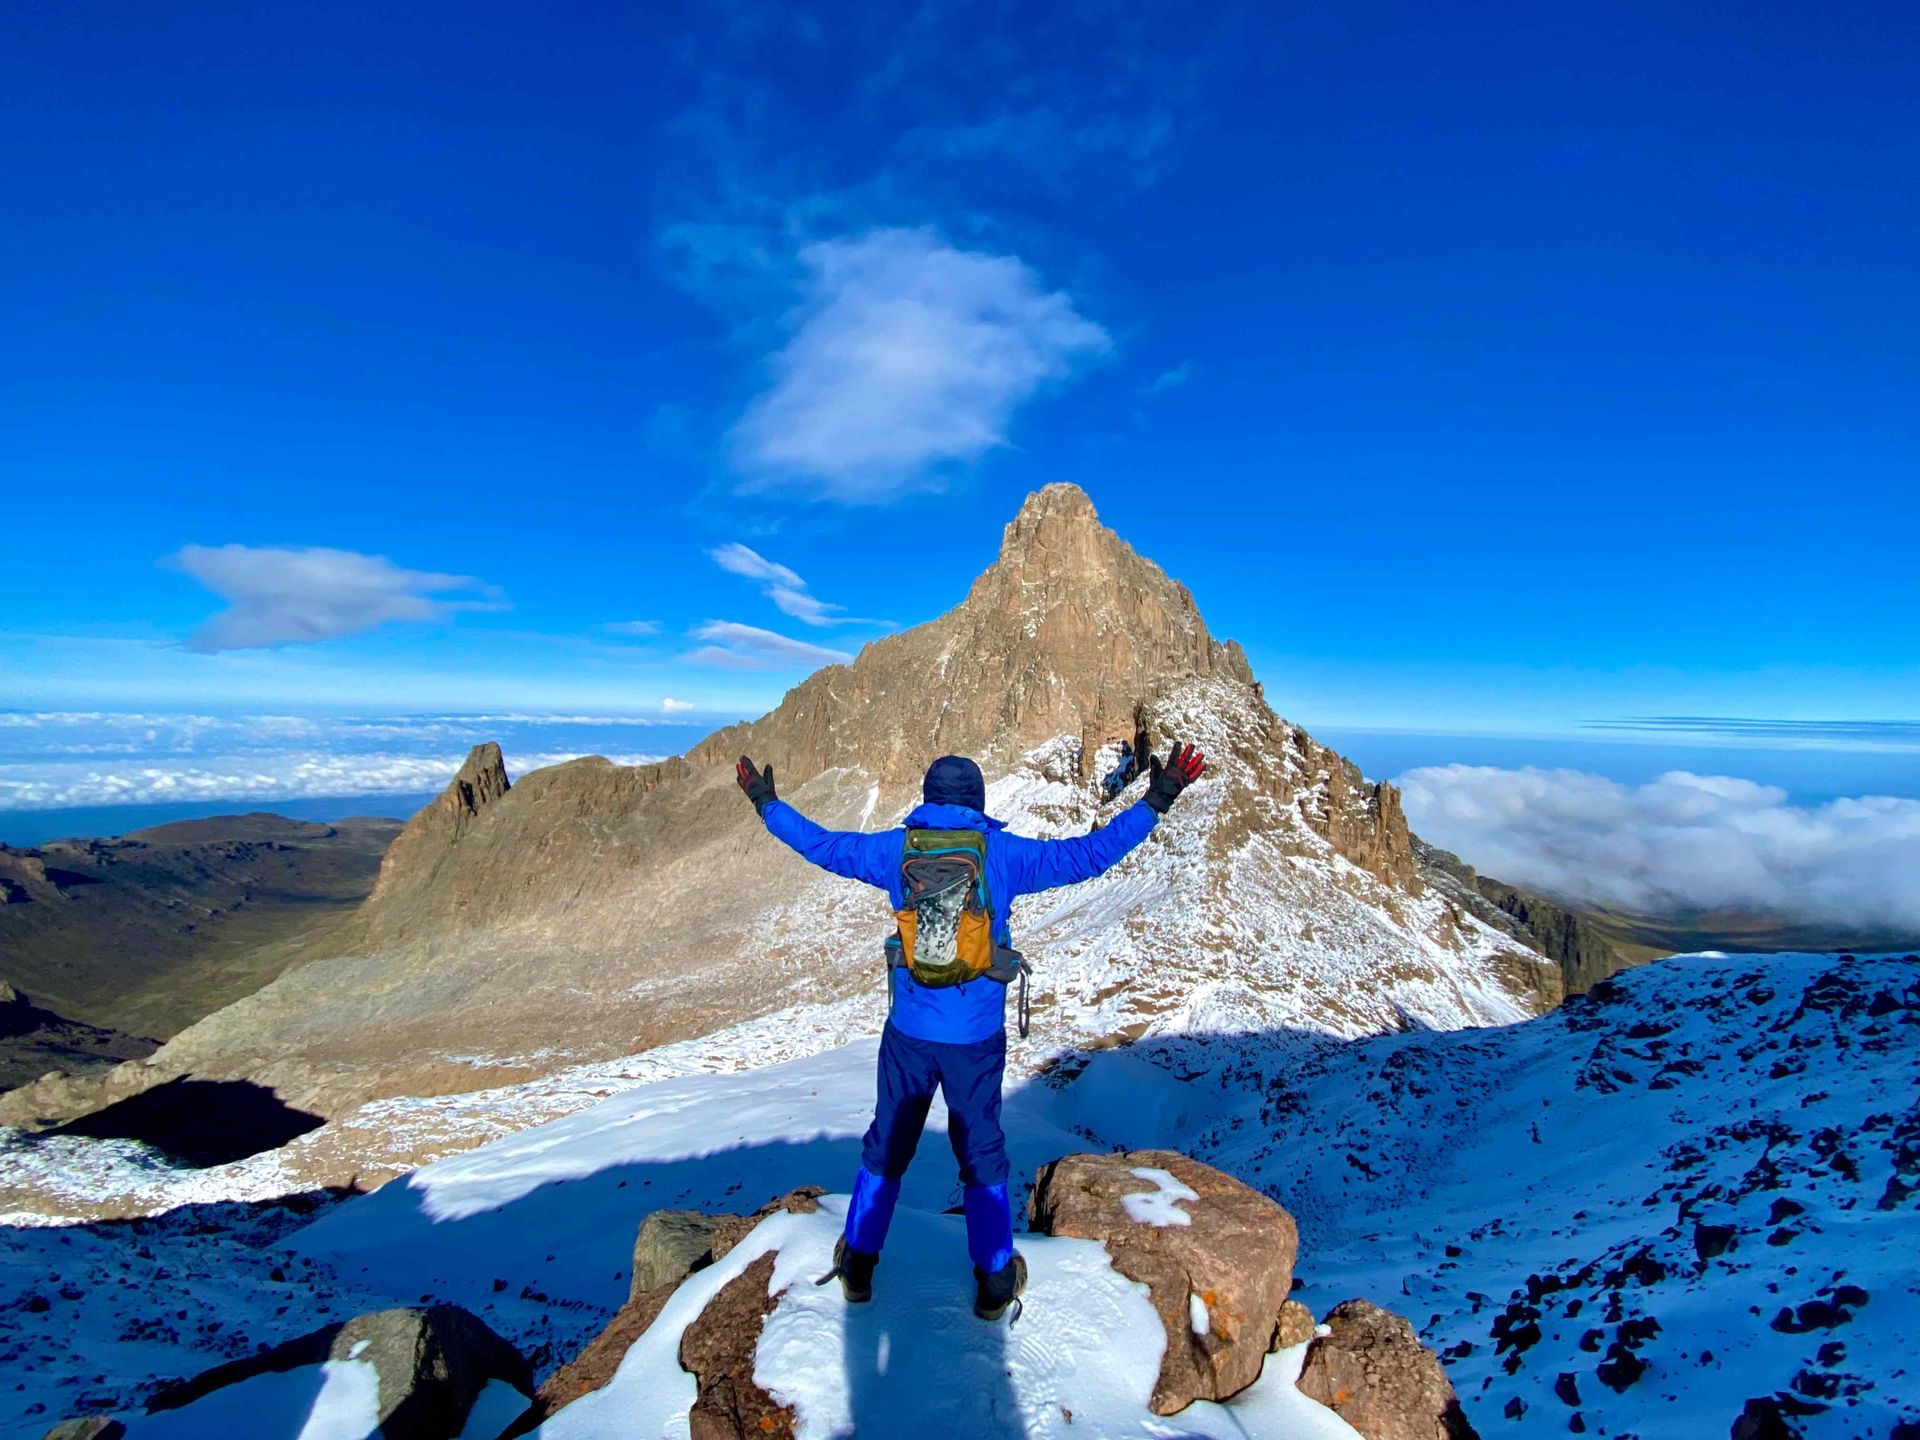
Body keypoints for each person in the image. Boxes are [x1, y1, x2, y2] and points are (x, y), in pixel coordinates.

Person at [733, 740, 1208, 1321]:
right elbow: (1088, 855)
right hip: (976, 1038)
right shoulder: (1001, 853)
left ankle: (858, 1263)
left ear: (928, 800)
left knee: (888, 1145)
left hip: (908, 1032)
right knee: (981, 1150)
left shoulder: (895, 850)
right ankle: (993, 1279)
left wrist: (766, 804)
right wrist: (1157, 801)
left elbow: (823, 845)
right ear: (979, 803)